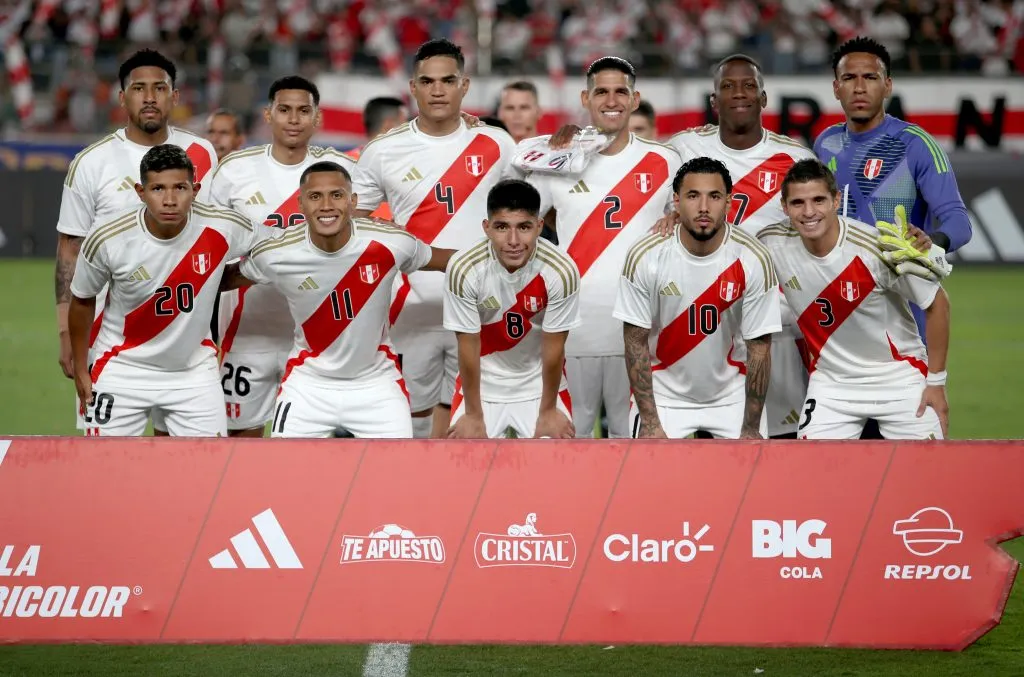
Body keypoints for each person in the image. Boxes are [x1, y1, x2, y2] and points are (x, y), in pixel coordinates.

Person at [352, 38, 516, 439]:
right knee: (410, 426)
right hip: (411, 311)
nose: (438, 90)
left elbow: (529, 214)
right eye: (428, 81)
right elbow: (351, 223)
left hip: (485, 310)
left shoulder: (497, 145)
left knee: (481, 426)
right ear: (413, 87)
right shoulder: (384, 150)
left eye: (448, 80)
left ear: (465, 85)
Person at [219, 162, 456, 438]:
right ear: (301, 204)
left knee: (394, 474)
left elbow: (449, 261)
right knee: (286, 473)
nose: (327, 205)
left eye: (337, 195)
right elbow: (220, 280)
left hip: (377, 385)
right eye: (315, 196)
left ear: (353, 201)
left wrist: (506, 264)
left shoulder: (391, 243)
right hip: (308, 385)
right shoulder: (276, 253)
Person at [518, 56, 682, 439]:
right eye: (601, 92)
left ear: (635, 98)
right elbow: (517, 221)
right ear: (585, 98)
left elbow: (694, 221)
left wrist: (678, 220)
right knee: (572, 445)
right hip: (573, 330)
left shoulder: (665, 160)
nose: (612, 100)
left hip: (645, 332)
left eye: (620, 91)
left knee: (635, 448)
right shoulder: (556, 160)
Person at [55, 48, 218, 432]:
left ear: (174, 98)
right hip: (109, 342)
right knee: (103, 467)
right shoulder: (92, 162)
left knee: (189, 465)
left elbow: (213, 243)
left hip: (186, 345)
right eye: (139, 88)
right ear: (121, 98)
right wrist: (65, 331)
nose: (149, 97)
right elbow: (69, 250)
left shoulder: (203, 154)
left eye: (160, 88)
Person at [68, 145, 273, 437]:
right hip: (122, 368)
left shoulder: (222, 225)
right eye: (157, 189)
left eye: (180, 188)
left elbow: (275, 246)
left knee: (206, 472)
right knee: (104, 472)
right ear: (140, 191)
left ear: (196, 189)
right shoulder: (108, 237)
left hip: (193, 373)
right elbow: (82, 300)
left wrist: (236, 276)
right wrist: (80, 367)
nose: (169, 199)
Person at [664, 54, 818, 440]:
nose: (739, 94)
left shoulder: (796, 158)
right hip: (697, 319)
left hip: (775, 322)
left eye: (748, 86)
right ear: (713, 101)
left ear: (764, 98)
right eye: (728, 87)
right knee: (699, 441)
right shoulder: (681, 148)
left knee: (780, 440)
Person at [208, 75, 357, 437]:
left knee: (312, 447)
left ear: (317, 117)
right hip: (245, 336)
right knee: (240, 443)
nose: (294, 119)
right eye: (285, 110)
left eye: (303, 111)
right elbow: (209, 254)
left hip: (318, 340)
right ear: (268, 114)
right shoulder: (233, 171)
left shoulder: (344, 171)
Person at [758, 159, 950, 439]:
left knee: (925, 476)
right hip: (831, 384)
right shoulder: (771, 243)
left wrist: (936, 383)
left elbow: (938, 303)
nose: (809, 212)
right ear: (784, 207)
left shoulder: (876, 248)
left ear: (836, 200)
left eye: (819, 200)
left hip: (899, 378)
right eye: (798, 203)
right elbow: (725, 249)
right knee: (812, 476)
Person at [615, 157, 780, 439]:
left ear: (729, 202)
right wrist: (652, 422)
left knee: (748, 481)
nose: (704, 207)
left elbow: (759, 350)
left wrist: (750, 429)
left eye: (714, 196)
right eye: (693, 196)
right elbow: (635, 343)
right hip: (664, 394)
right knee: (649, 482)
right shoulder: (645, 255)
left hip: (732, 395)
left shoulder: (754, 258)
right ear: (676, 202)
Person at [815, 36, 970, 299]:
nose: (860, 87)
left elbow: (959, 222)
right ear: (836, 87)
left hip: (902, 304)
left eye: (871, 77)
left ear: (887, 86)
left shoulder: (916, 144)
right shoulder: (824, 143)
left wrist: (932, 242)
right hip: (840, 301)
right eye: (850, 78)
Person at [443, 179, 580, 439]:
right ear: (487, 228)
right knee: (466, 471)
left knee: (556, 470)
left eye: (524, 227)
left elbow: (554, 347)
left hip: (538, 387)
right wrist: (473, 414)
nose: (513, 240)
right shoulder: (463, 268)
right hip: (481, 388)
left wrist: (548, 410)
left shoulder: (561, 270)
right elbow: (468, 345)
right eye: (502, 227)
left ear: (540, 226)